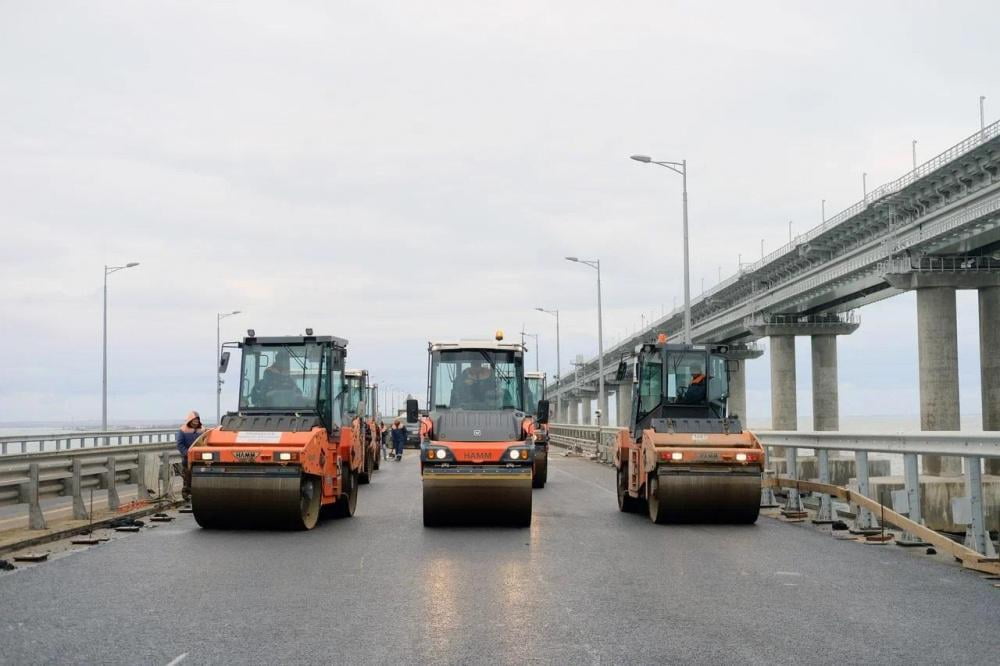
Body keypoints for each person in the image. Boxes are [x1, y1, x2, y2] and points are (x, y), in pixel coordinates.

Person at [175, 411, 203, 501]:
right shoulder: (183, 430)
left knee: (199, 476)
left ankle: (199, 493)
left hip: (200, 458)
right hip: (187, 458)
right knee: (187, 476)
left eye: (197, 420)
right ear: (190, 420)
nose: (196, 422)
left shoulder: (202, 430)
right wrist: (187, 453)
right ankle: (186, 494)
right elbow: (179, 444)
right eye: (194, 420)